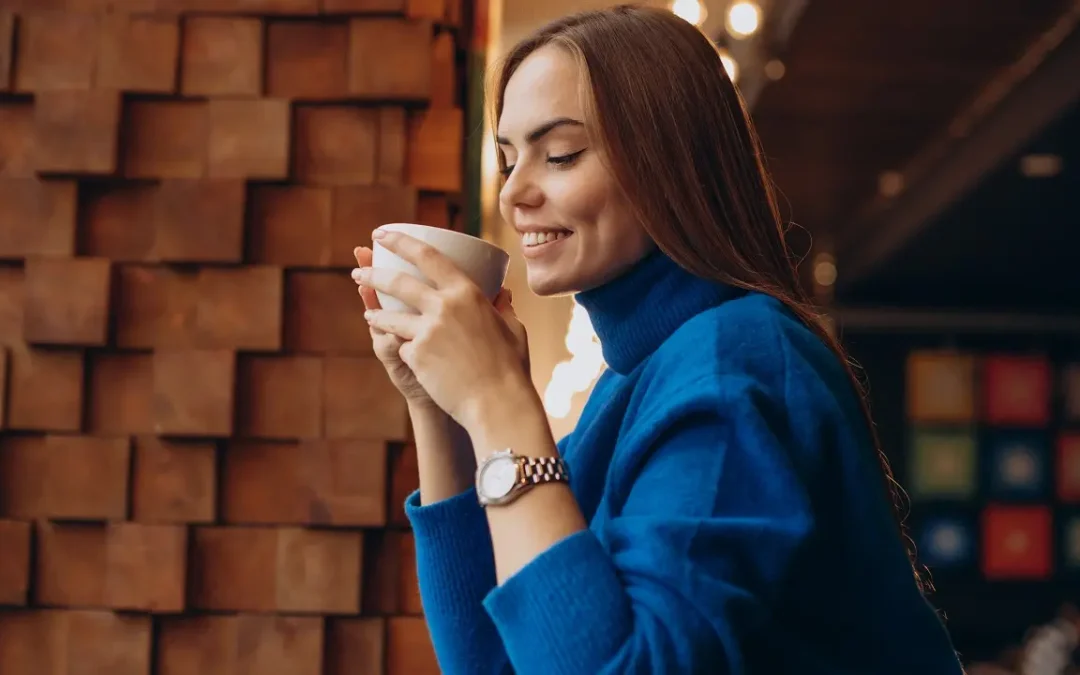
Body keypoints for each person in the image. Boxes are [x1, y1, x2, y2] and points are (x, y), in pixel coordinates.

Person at [351, 4, 965, 673]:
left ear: (668, 159)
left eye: (559, 154)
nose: (514, 193)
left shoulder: (736, 368)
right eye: (507, 158)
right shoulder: (632, 380)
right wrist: (439, 405)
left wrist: (499, 398)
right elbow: (493, 661)